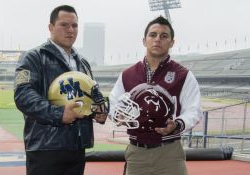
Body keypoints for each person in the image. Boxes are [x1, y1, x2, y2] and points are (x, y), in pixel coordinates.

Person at [14, 5, 107, 175]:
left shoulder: (83, 62)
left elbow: (92, 94)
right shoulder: (34, 57)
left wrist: (99, 110)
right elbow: (23, 95)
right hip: (46, 147)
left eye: (75, 25)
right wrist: (59, 113)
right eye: (64, 25)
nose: (70, 30)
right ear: (51, 27)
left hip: (77, 147)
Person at [109, 16, 202, 175]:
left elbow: (194, 110)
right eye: (153, 35)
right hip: (136, 152)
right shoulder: (127, 75)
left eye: (164, 36)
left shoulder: (183, 75)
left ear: (172, 42)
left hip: (169, 152)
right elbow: (112, 104)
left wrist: (177, 125)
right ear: (144, 40)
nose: (157, 39)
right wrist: (117, 116)